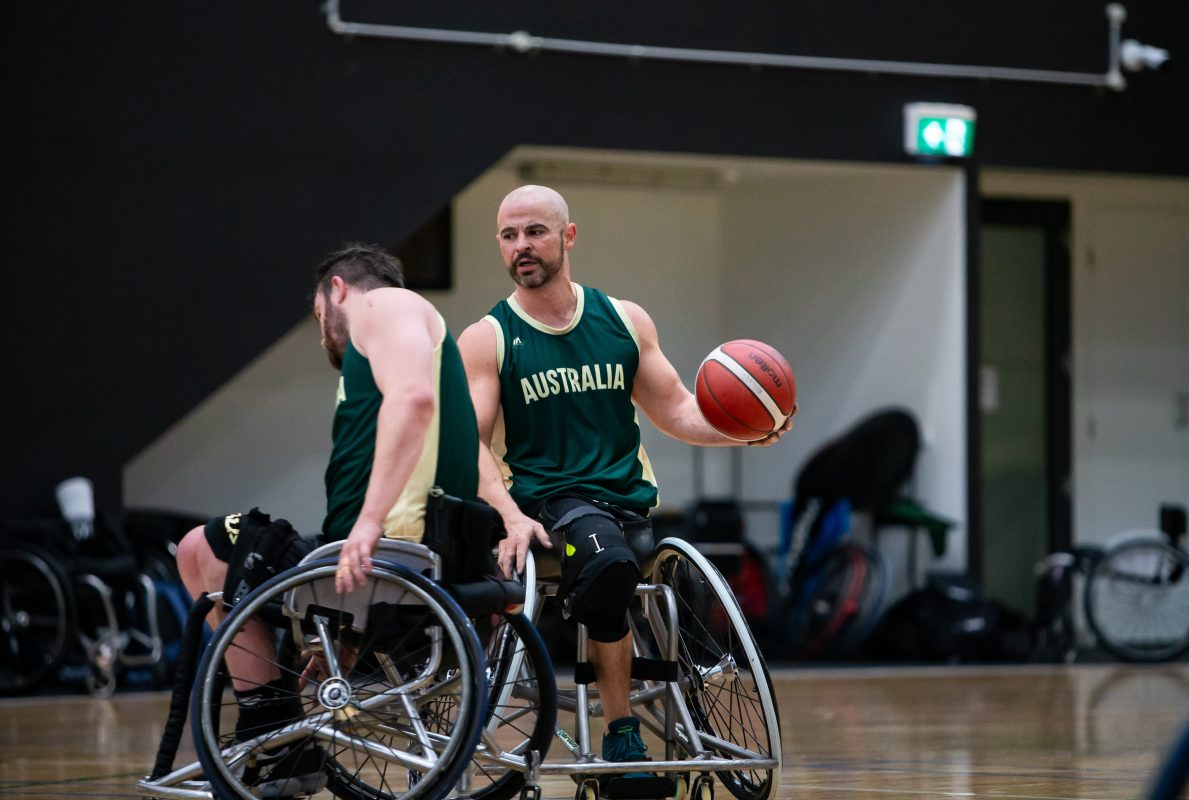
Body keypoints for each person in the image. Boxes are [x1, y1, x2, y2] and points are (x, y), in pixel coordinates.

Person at [458, 185, 793, 788]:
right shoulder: (488, 338)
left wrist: (743, 431)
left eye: (534, 231)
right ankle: (621, 732)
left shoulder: (623, 320)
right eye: (508, 236)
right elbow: (470, 444)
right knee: (606, 562)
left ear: (568, 236)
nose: (520, 247)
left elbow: (678, 410)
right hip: (546, 507)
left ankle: (665, 693)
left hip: (629, 507)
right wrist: (508, 514)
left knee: (620, 552)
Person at [175, 243, 479, 798]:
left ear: (337, 289)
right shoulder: (397, 335)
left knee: (200, 547)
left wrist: (367, 524)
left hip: (390, 548)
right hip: (396, 553)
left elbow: (413, 401)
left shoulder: (381, 306)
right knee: (231, 553)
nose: (323, 334)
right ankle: (283, 735)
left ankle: (276, 736)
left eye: (319, 317)